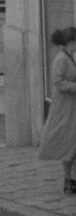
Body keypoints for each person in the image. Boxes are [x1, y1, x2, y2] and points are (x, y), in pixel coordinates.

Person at [38, 26, 76, 193]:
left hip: (71, 105)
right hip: (64, 107)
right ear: (70, 42)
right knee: (68, 142)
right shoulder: (62, 59)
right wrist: (75, 86)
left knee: (71, 143)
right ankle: (68, 181)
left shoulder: (69, 56)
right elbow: (58, 81)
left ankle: (70, 179)